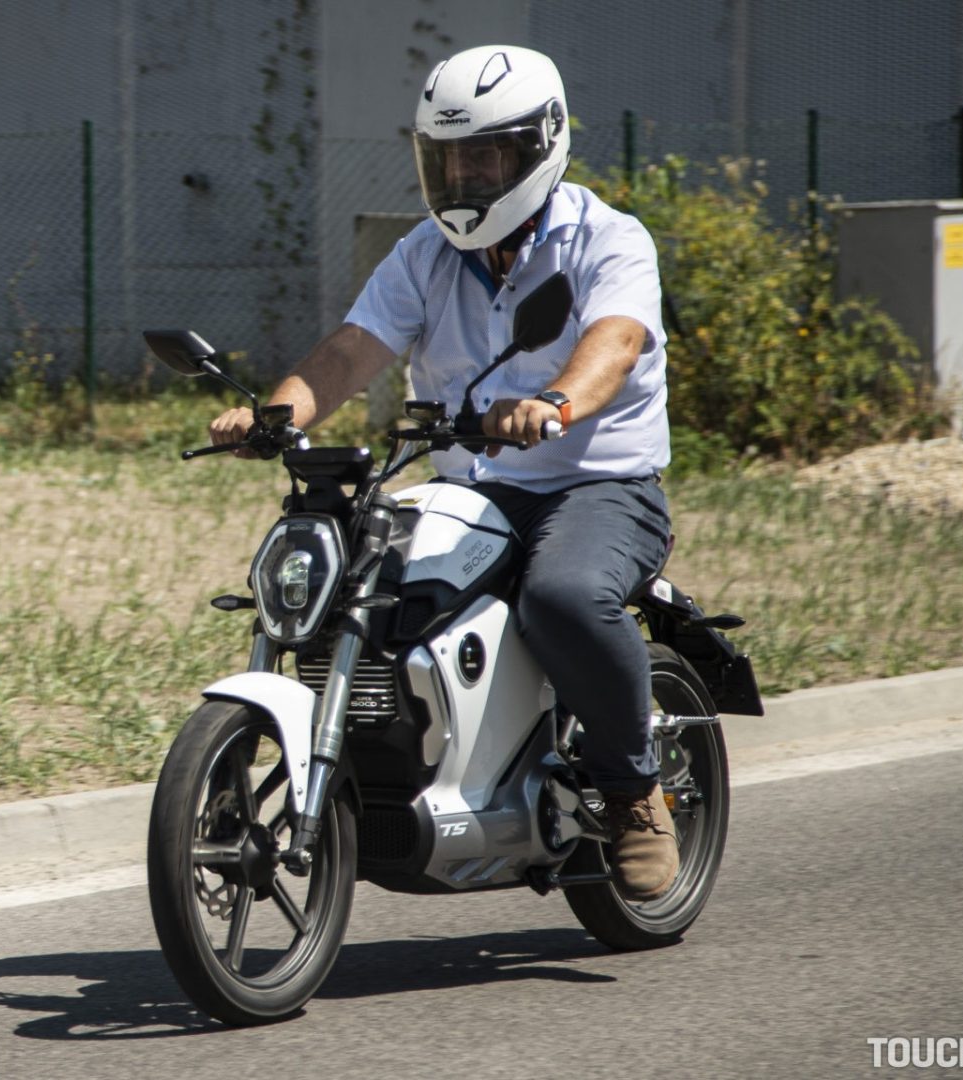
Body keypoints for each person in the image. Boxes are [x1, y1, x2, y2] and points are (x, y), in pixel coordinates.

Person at [208, 44, 680, 900]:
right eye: (448, 156)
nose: (464, 175)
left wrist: (556, 402)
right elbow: (353, 351)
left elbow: (613, 342)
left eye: (485, 155)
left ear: (539, 147)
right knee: (355, 583)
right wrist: (278, 416)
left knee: (565, 596)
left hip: (597, 487)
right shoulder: (424, 256)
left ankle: (632, 789)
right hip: (472, 490)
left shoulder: (609, 239)